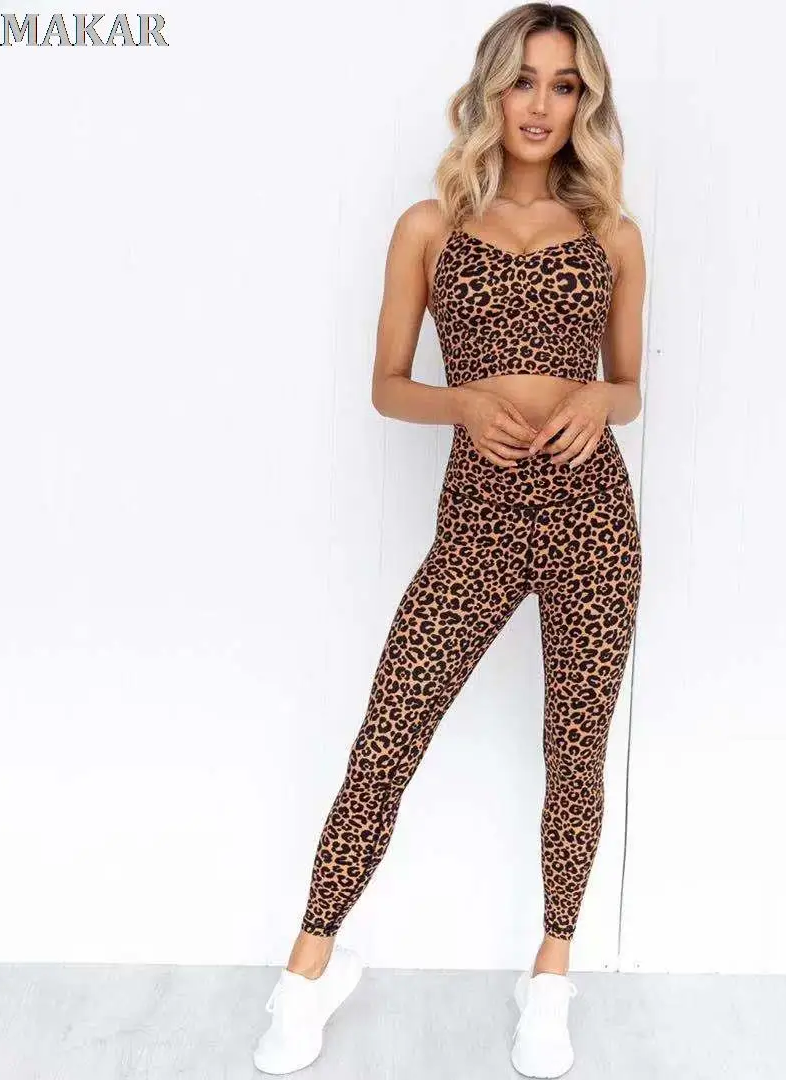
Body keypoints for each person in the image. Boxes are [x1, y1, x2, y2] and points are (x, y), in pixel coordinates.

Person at [253, 4, 645, 1076]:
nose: (541, 104)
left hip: (592, 519)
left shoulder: (613, 234)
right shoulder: (431, 225)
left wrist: (600, 401)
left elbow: (629, 386)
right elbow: (387, 386)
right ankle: (308, 969)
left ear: (585, 101)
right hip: (477, 515)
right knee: (391, 730)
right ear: (490, 90)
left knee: (575, 749)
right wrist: (462, 404)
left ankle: (550, 975)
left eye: (564, 84)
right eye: (524, 79)